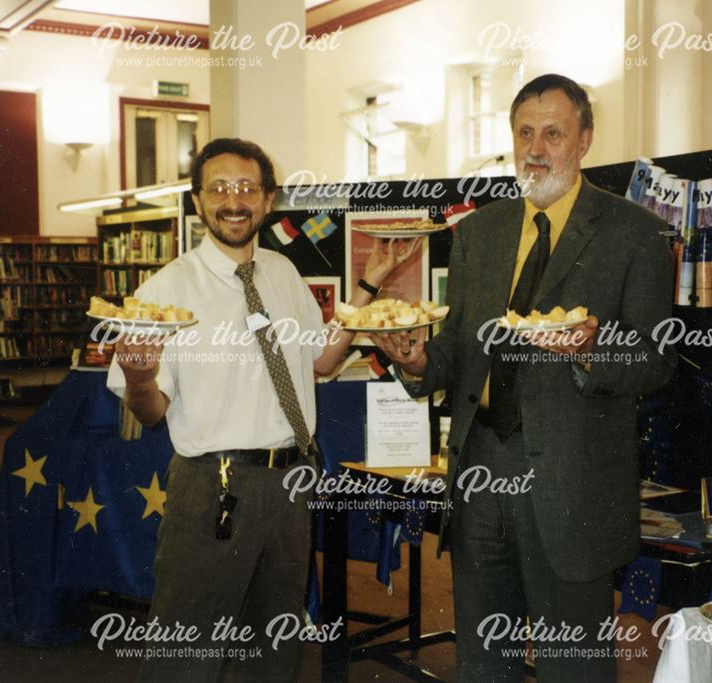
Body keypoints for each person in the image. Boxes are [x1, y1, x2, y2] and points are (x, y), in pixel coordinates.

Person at [372, 74, 678, 681]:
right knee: (485, 662)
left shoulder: (635, 232)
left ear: (584, 139)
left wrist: (592, 350)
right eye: (525, 133)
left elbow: (657, 359)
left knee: (574, 668)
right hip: (480, 467)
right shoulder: (480, 234)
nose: (537, 149)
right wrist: (415, 361)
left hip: (572, 482)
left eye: (554, 133)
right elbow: (458, 347)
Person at [107, 137, 417, 681]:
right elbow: (152, 411)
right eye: (219, 188)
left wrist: (370, 285)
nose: (234, 200)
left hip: (290, 486)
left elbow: (321, 361)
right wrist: (137, 377)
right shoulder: (167, 288)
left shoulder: (281, 273)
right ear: (198, 201)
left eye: (247, 187)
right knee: (187, 651)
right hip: (213, 488)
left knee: (272, 651)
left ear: (268, 200)